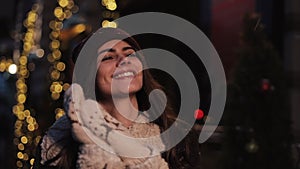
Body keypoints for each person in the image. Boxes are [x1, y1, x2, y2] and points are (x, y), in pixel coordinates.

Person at [34, 27, 201, 169]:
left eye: (130, 54)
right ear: (89, 76)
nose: (123, 61)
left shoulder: (177, 135)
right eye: (108, 57)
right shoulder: (56, 143)